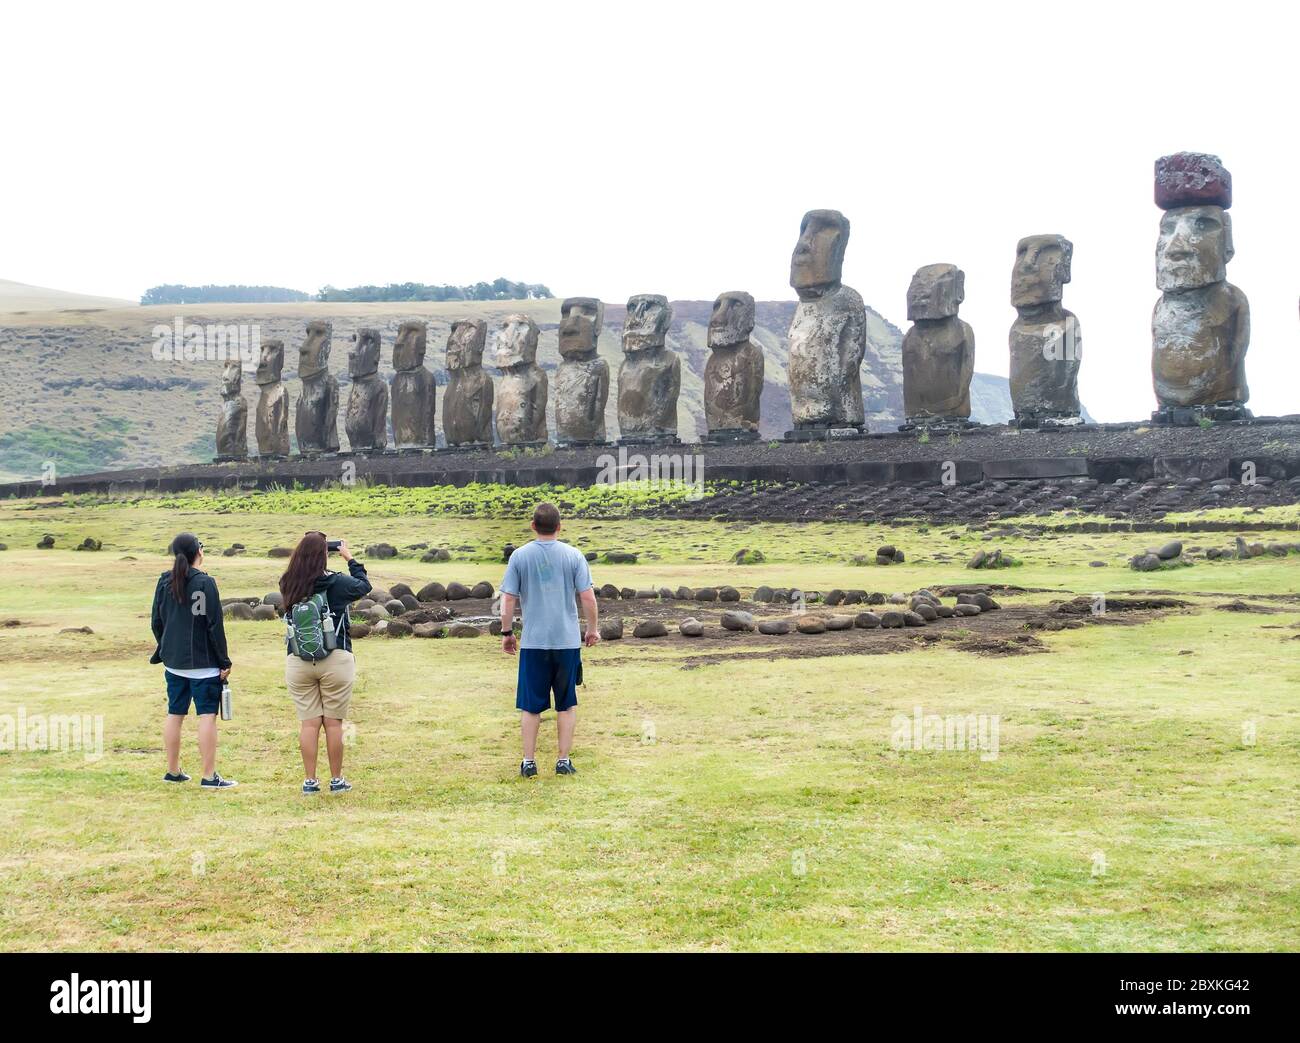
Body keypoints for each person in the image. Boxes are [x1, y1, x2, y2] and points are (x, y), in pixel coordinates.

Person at [499, 501, 599, 778]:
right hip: (566, 642)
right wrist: (592, 630)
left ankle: (528, 762)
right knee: (566, 703)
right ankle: (563, 760)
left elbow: (508, 599)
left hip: (533, 642)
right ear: (559, 526)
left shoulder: (519, 556)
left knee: (531, 705)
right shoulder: (574, 555)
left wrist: (507, 633)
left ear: (533, 526)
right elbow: (588, 597)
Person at [278, 532, 371, 794]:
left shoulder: (288, 583)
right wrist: (349, 557)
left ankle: (310, 781)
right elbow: (364, 586)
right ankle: (336, 780)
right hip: (336, 657)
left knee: (309, 723)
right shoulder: (337, 582)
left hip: (297, 659)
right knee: (333, 723)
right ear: (324, 555)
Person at [149, 532, 238, 789]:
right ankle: (209, 776)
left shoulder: (164, 582)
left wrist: (167, 647)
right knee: (207, 716)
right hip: (203, 663)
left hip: (174, 662)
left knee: (175, 713)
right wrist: (224, 661)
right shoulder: (205, 583)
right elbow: (213, 626)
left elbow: (157, 621)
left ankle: (173, 770)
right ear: (198, 551)